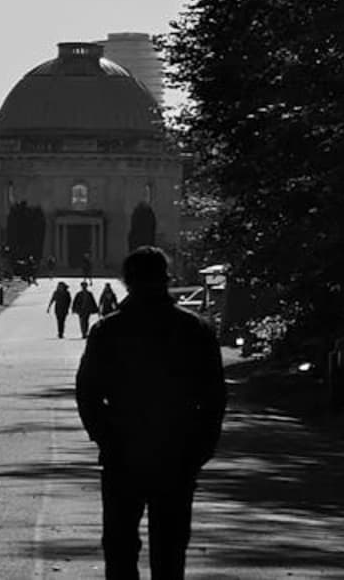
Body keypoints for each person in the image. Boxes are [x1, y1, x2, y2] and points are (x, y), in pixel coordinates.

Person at [74, 247, 228, 580]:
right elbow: (214, 396)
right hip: (177, 452)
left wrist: (106, 438)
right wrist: (202, 446)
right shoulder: (195, 330)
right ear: (166, 280)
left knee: (120, 549)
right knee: (170, 550)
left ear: (126, 281)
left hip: (124, 453)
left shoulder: (108, 331)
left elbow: (87, 394)